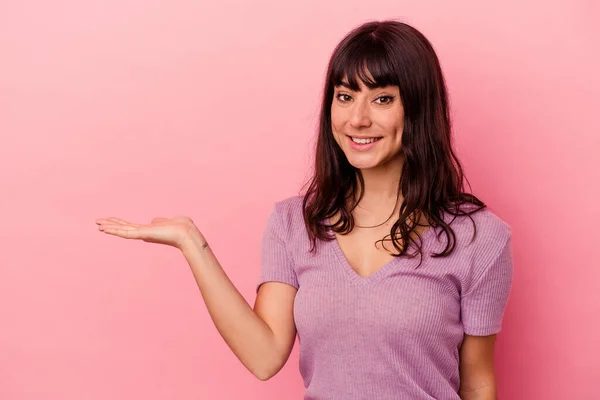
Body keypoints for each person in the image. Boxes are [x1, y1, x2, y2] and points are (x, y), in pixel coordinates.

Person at [96, 19, 513, 400]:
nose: (358, 118)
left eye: (383, 99)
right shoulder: (293, 223)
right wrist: (192, 242)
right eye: (345, 96)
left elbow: (477, 379)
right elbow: (264, 356)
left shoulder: (480, 237)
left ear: (419, 109)